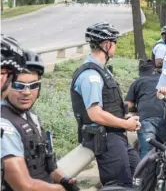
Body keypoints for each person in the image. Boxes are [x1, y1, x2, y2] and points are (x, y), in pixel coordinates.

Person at [1, 39, 77, 191]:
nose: (27, 93)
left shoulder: (31, 117)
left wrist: (64, 180)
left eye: (33, 85)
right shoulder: (4, 125)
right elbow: (24, 186)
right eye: (18, 85)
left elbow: (45, 162)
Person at [71, 22, 140, 187]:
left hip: (116, 136)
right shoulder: (91, 76)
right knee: (120, 185)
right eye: (114, 43)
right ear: (107, 44)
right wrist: (125, 124)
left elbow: (108, 105)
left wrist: (124, 117)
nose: (115, 47)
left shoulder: (103, 70)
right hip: (107, 140)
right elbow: (95, 114)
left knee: (139, 177)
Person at [126, 59, 166, 159]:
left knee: (146, 153)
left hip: (147, 119)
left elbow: (129, 104)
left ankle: (145, 174)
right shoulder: (163, 80)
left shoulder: (138, 82)